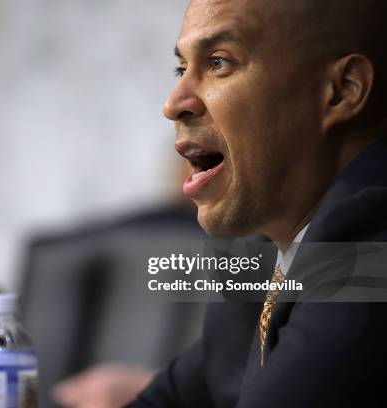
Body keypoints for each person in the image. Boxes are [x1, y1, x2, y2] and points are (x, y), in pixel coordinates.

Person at [125, 0, 387, 407]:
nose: (174, 102)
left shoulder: (371, 237)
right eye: (182, 69)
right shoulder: (263, 248)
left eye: (219, 63)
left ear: (341, 91)